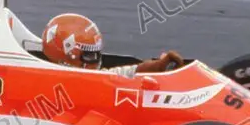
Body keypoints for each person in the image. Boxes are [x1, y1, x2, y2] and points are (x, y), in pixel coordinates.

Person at [41, 13, 184, 78]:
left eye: (96, 53)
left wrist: (157, 67)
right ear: (67, 54)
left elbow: (119, 75)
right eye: (89, 55)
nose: (95, 60)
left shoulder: (88, 80)